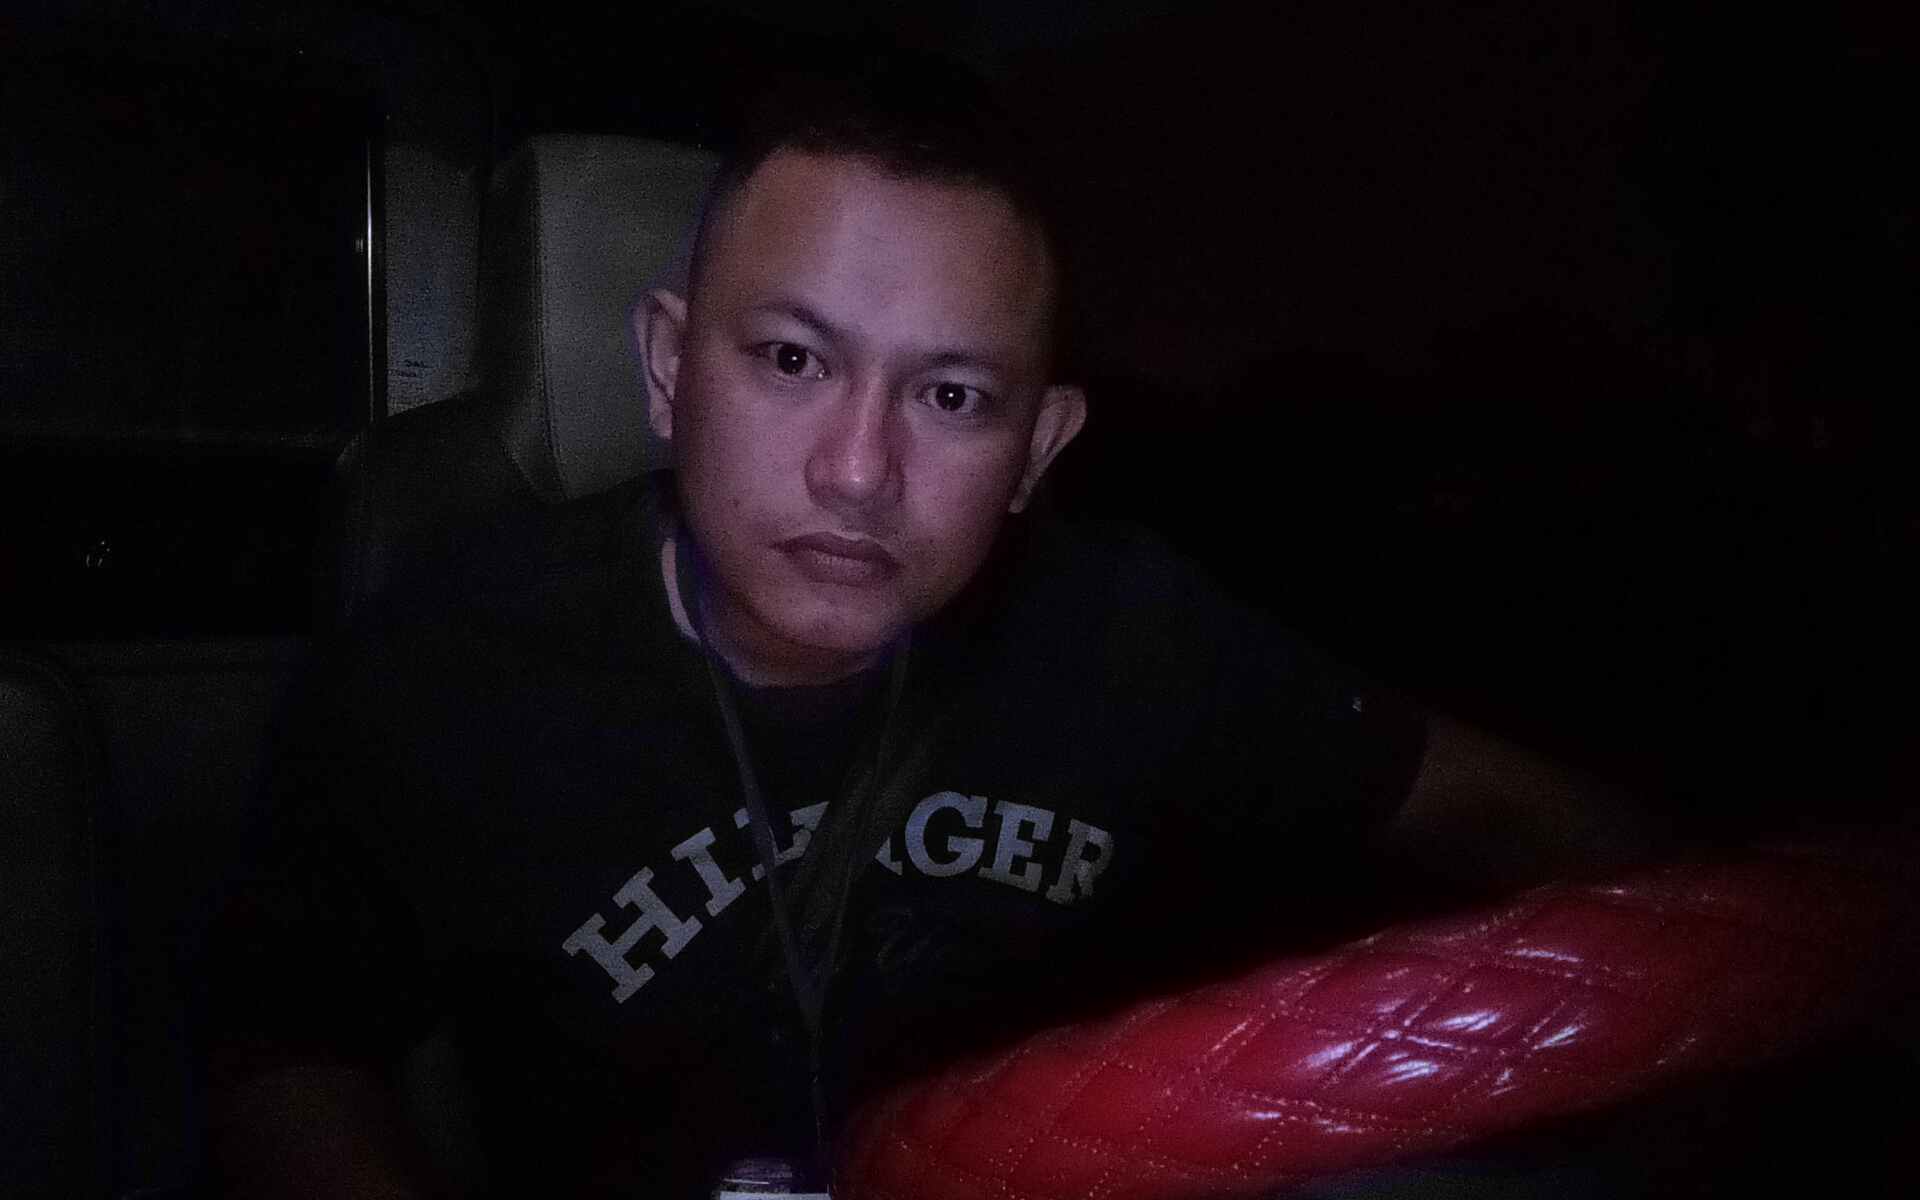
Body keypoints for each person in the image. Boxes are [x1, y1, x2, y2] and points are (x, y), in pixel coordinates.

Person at [204, 54, 1656, 1200]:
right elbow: (281, 1047)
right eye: (791, 360)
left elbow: (1495, 806)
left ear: (1036, 450)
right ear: (667, 367)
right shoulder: (447, 663)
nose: (858, 471)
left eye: (953, 397)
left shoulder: (1130, 632)